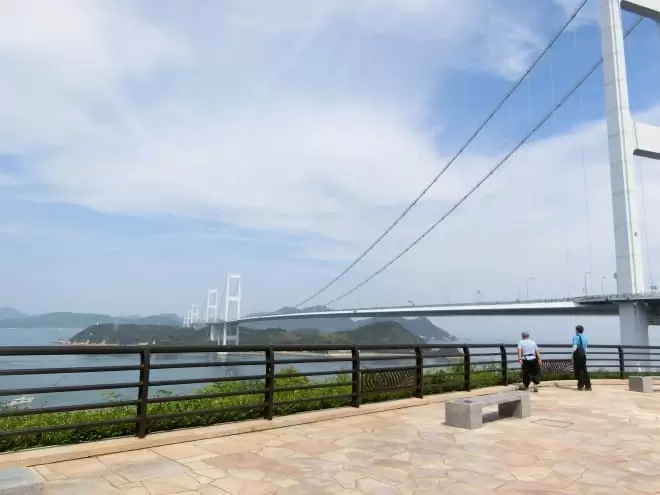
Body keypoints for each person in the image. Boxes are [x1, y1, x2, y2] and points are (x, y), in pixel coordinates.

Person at [572, 325, 592, 391]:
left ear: (577, 330)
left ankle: (580, 386)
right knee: (584, 370)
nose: (575, 331)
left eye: (575, 330)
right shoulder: (585, 338)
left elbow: (575, 347)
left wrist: (571, 355)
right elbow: (586, 348)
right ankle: (588, 386)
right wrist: (584, 355)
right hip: (583, 355)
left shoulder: (576, 337)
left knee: (579, 370)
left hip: (578, 355)